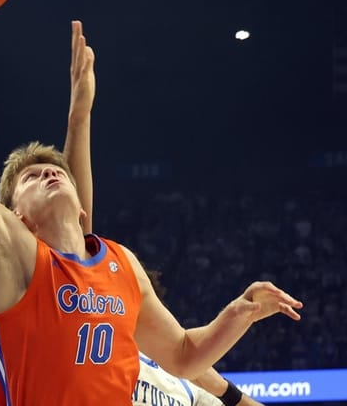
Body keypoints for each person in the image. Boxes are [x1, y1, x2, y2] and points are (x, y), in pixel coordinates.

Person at [0, 0, 303, 405]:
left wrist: (240, 311)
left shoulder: (121, 265)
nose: (49, 176)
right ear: (17, 216)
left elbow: (184, 355)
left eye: (56, 172)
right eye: (31, 179)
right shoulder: (14, 259)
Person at [64, 21, 266, 406]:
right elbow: (77, 231)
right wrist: (79, 117)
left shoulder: (184, 374)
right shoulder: (95, 345)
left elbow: (237, 400)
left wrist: (241, 313)